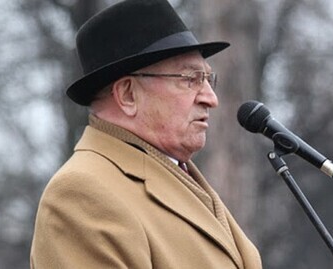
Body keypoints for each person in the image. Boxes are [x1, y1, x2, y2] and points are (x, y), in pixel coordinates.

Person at [30, 0, 262, 268]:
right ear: (128, 95)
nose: (211, 98)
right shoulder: (80, 193)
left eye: (209, 79)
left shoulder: (174, 172)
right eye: (190, 79)